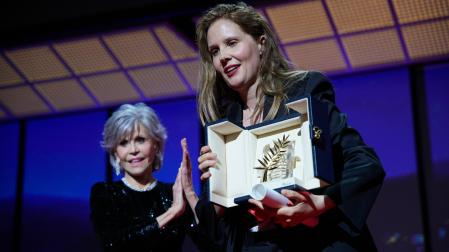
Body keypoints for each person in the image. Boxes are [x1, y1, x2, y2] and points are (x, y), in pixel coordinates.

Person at [181, 2, 386, 251]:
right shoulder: (221, 129)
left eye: (232, 43)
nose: (223, 56)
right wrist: (211, 197)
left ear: (261, 42)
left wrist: (319, 204)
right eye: (214, 51)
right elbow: (218, 233)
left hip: (319, 242)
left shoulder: (304, 90)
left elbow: (364, 163)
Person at [89, 103, 204, 251]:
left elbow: (208, 243)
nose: (133, 150)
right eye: (124, 143)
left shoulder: (173, 193)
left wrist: (189, 192)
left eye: (140, 139)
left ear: (155, 145)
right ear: (116, 153)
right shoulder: (105, 193)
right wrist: (172, 212)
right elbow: (115, 243)